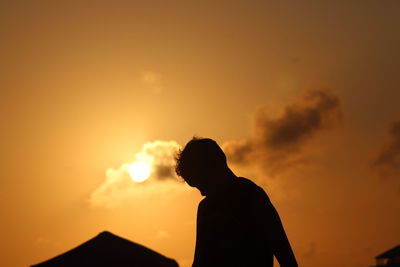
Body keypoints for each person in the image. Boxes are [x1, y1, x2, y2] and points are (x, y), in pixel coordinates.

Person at [175, 137, 298, 267]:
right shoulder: (206, 208)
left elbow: (283, 250)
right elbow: (201, 261)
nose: (202, 193)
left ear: (213, 168)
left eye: (201, 184)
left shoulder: (251, 195)